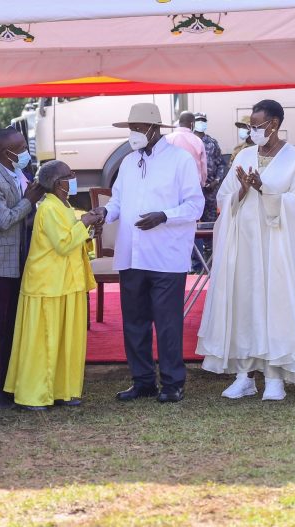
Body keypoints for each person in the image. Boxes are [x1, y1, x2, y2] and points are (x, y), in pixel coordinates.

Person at [197, 100, 295, 401]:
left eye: (257, 125)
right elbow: (225, 198)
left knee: (274, 304)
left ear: (273, 124)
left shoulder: (294, 158)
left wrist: (266, 189)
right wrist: (243, 190)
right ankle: (244, 375)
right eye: (250, 126)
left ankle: (275, 377)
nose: (252, 131)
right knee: (245, 303)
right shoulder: (244, 155)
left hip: (277, 245)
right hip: (244, 244)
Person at [92, 103, 204, 403]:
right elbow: (117, 201)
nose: (134, 133)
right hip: (131, 254)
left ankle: (172, 383)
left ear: (155, 129)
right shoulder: (129, 162)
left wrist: (164, 216)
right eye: (131, 128)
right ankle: (142, 380)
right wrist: (105, 212)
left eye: (139, 128)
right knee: (134, 322)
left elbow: (196, 206)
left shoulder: (180, 160)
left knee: (167, 323)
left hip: (165, 256)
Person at [4, 161, 99, 410]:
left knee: (67, 342)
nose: (74, 178)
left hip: (67, 282)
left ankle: (63, 390)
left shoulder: (63, 205)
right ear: (59, 184)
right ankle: (33, 395)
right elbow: (64, 243)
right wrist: (86, 221)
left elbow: (73, 238)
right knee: (43, 343)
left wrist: (88, 228)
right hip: (47, 284)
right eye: (70, 175)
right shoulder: (47, 208)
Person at [0, 128, 44, 409]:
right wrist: (29, 201)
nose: (25, 151)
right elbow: (4, 220)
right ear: (7, 153)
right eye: (19, 147)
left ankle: (10, 381)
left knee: (12, 326)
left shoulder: (20, 174)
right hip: (0, 264)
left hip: (20, 260)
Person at [193, 112, 227, 263]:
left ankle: (211, 263)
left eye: (203, 120)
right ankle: (194, 264)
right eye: (199, 120)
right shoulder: (190, 141)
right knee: (192, 227)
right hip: (193, 191)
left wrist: (216, 182)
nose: (201, 123)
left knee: (211, 227)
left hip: (210, 192)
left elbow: (221, 164)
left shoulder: (212, 142)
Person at [165, 112, 207, 186]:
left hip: (171, 184)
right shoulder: (198, 141)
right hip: (193, 184)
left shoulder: (167, 139)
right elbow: (203, 167)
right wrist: (202, 183)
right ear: (192, 124)